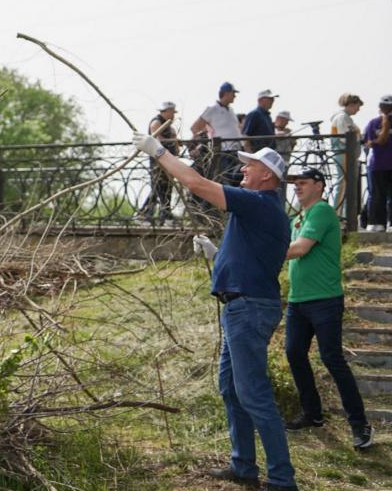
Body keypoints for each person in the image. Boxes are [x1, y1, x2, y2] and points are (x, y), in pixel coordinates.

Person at [133, 132, 297, 490]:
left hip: (248, 309)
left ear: (267, 175)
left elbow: (194, 182)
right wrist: (215, 254)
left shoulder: (258, 202)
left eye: (249, 166)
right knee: (231, 388)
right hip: (244, 306)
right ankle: (244, 466)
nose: (242, 170)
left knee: (253, 393)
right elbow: (253, 258)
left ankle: (283, 479)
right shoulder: (265, 211)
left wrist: (159, 151)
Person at [281, 167, 374, 450]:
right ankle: (313, 413)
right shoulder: (298, 217)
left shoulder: (321, 211)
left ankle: (360, 425)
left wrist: (260, 251)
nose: (297, 187)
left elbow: (298, 249)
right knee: (295, 353)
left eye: (303, 182)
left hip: (324, 300)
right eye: (294, 183)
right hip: (298, 300)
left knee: (332, 359)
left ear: (319, 186)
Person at [136, 101, 180, 225]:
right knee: (158, 187)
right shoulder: (156, 123)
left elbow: (175, 142)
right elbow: (157, 140)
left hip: (169, 160)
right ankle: (145, 215)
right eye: (172, 112)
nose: (173, 115)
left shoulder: (169, 126)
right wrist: (173, 140)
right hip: (158, 161)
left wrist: (176, 147)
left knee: (167, 188)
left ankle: (164, 216)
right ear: (166, 111)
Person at [192, 82, 243, 186]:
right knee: (225, 181)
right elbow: (195, 127)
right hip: (222, 152)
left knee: (236, 180)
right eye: (233, 93)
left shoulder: (231, 110)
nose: (235, 96)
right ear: (226, 93)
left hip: (235, 151)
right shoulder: (212, 109)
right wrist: (202, 144)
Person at [329, 93, 363, 216]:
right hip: (344, 153)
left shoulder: (344, 117)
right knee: (343, 182)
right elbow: (345, 138)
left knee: (344, 183)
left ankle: (342, 213)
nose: (358, 110)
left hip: (345, 153)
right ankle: (337, 214)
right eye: (357, 106)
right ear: (351, 104)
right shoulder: (343, 118)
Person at [362, 95, 392, 232]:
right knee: (381, 195)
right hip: (380, 164)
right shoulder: (374, 123)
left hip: (378, 164)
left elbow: (368, 143)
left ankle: (376, 223)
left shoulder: (373, 123)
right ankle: (387, 223)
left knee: (377, 194)